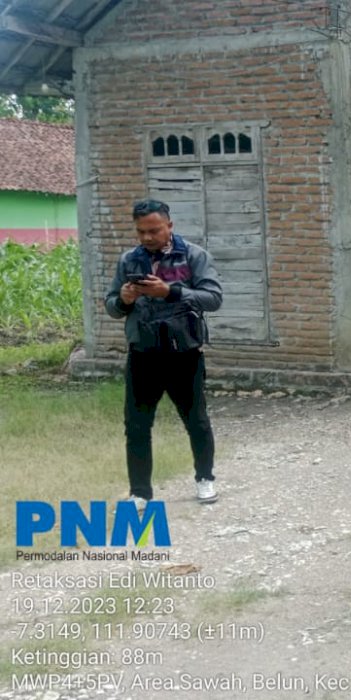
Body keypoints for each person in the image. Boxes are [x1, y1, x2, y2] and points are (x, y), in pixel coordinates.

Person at [104, 199, 223, 507]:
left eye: (154, 230)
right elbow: (111, 306)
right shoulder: (129, 260)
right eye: (141, 231)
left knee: (196, 421)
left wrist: (170, 291)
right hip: (142, 353)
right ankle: (140, 492)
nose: (147, 237)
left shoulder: (194, 256)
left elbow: (213, 298)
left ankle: (205, 479)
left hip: (184, 352)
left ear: (169, 226)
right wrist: (124, 299)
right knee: (137, 426)